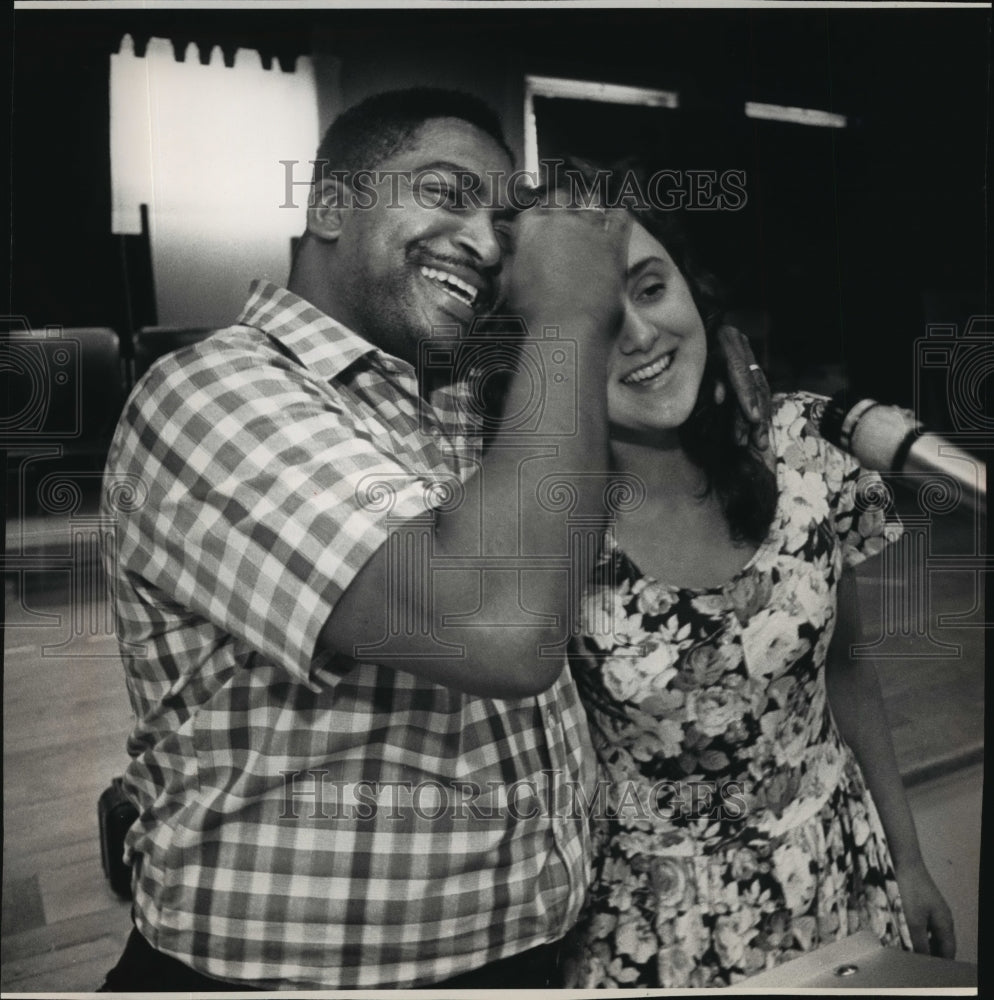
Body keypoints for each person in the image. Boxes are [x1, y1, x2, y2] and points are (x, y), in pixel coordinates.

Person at [98, 90, 764, 991]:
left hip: (528, 957)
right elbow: (500, 630)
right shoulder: (211, 394)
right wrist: (569, 313)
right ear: (329, 203)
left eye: (503, 224)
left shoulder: (451, 409)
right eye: (446, 193)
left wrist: (716, 363)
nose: (485, 243)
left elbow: (609, 426)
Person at [565, 183, 957, 987]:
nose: (638, 334)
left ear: (693, 291)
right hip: (656, 923)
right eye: (591, 320)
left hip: (839, 873)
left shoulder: (808, 444)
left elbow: (849, 668)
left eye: (651, 288)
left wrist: (909, 858)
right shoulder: (543, 519)